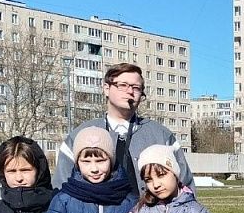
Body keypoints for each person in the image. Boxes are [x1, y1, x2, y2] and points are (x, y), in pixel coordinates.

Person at [53, 63, 191, 195]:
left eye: (136, 88)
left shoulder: (161, 135)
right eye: (123, 85)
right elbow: (61, 188)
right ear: (106, 89)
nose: (130, 91)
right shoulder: (80, 135)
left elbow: (185, 185)